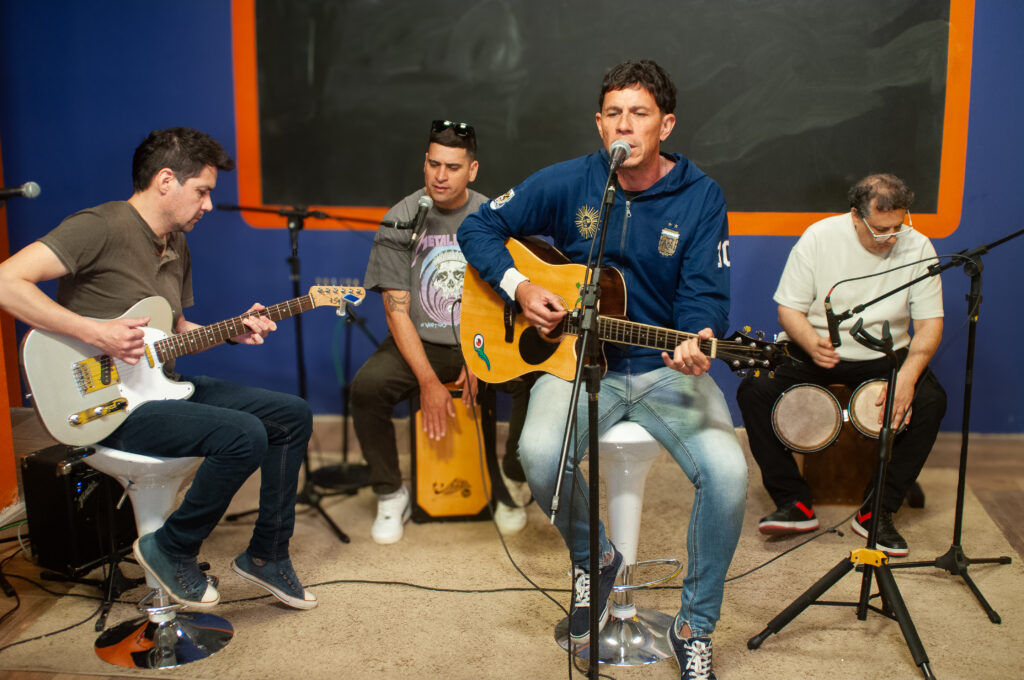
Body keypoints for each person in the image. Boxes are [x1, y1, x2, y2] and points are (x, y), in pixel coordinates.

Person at [458, 60, 746, 679]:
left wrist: (696, 339)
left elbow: (705, 297)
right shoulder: (570, 180)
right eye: (613, 113)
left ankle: (693, 627)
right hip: (579, 363)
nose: (625, 125)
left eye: (639, 113)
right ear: (598, 123)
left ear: (666, 124)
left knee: (727, 474)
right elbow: (479, 226)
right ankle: (596, 559)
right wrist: (519, 287)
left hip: (666, 368)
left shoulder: (701, 196)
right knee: (538, 456)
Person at [0, 127, 316, 611]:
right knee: (244, 435)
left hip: (158, 387)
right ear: (166, 180)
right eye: (202, 191)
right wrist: (95, 332)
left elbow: (174, 328)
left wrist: (230, 331)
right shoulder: (99, 226)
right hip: (108, 406)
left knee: (291, 415)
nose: (209, 204)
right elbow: (6, 282)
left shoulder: (175, 242)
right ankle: (170, 548)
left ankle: (266, 555)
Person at [736, 173, 946, 557]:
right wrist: (809, 341)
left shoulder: (918, 246)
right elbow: (789, 309)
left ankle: (876, 510)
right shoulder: (819, 237)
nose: (891, 238)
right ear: (855, 216)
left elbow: (931, 325)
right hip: (816, 349)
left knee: (932, 401)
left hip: (885, 354)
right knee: (755, 390)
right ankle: (794, 502)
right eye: (880, 229)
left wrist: (908, 377)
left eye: (898, 227)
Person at [350, 120, 533, 545]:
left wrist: (478, 357)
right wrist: (429, 381)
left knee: (537, 377)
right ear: (425, 163)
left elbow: (507, 294)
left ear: (472, 170)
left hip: (483, 339)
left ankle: (512, 480)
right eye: (434, 164)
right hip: (422, 343)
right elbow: (396, 311)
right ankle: (390, 493)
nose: (440, 176)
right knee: (367, 388)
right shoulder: (401, 218)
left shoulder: (494, 216)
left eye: (453, 167)